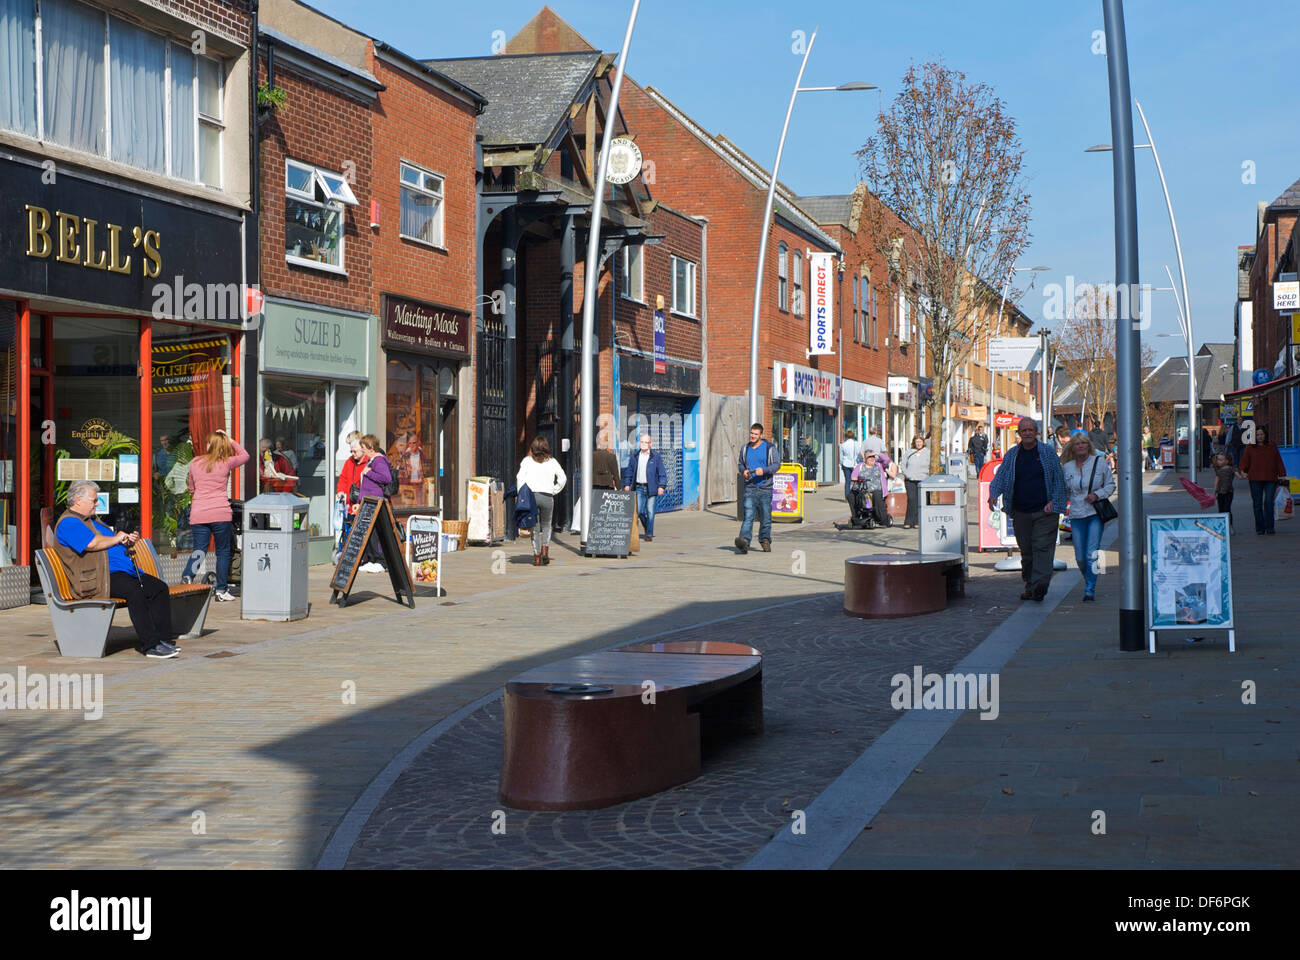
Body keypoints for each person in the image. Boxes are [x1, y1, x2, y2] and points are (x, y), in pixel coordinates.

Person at [54, 479, 178, 658]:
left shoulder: (92, 520)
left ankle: (163, 640)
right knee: (136, 592)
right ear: (78, 501)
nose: (97, 504)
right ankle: (151, 646)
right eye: (94, 500)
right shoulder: (69, 523)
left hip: (119, 572)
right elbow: (92, 543)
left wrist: (126, 541)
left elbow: (108, 542)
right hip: (98, 577)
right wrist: (117, 537)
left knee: (158, 588)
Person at [987, 417, 1069, 601]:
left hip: (1045, 511)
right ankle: (1030, 585)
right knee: (1027, 551)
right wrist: (993, 493)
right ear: (1019, 434)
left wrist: (1054, 502)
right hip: (1020, 511)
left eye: (1030, 430)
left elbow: (1058, 480)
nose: (1027, 433)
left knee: (1042, 547)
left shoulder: (1047, 453)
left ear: (1036, 432)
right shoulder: (1012, 454)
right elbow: (1001, 476)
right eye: (1023, 431)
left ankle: (1040, 584)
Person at [183, 429, 249, 601]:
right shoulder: (226, 462)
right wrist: (231, 439)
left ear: (208, 445)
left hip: (198, 513)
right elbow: (245, 455)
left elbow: (191, 487)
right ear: (222, 447)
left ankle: (189, 574)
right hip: (220, 513)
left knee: (200, 549)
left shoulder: (195, 462)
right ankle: (221, 590)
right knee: (223, 552)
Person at [1059, 431, 1114, 602]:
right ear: (1073, 448)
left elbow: (1111, 485)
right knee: (1080, 557)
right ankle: (1088, 578)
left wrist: (1097, 495)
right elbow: (1064, 491)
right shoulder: (1067, 467)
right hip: (1076, 514)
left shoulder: (1099, 463)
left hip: (1094, 514)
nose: (1080, 446)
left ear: (1088, 446)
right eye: (1077, 444)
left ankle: (1090, 588)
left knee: (1092, 553)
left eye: (1083, 443)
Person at [517, 436, 566, 565]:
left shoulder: (527, 461)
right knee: (546, 525)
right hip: (547, 497)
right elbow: (563, 478)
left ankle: (537, 556)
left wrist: (520, 495)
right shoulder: (552, 461)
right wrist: (554, 490)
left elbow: (520, 479)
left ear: (533, 448)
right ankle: (545, 551)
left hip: (532, 497)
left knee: (534, 527)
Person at [735, 422, 779, 554]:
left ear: (761, 435)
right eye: (751, 433)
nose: (752, 436)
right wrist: (743, 471)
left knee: (765, 518)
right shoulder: (745, 448)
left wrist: (764, 471)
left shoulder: (769, 448)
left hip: (765, 488)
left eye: (755, 434)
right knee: (748, 516)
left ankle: (765, 540)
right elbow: (741, 464)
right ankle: (744, 541)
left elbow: (777, 465)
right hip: (750, 487)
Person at [1236, 425, 1287, 536]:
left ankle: (1270, 527)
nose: (1260, 437)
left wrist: (1282, 474)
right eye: (1257, 435)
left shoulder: (1272, 445)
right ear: (1254, 436)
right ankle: (1260, 528)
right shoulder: (1250, 447)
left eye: (1262, 434)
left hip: (1271, 478)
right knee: (1257, 504)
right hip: (1255, 478)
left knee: (1268, 503)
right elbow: (1245, 461)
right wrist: (1243, 471)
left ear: (1265, 435)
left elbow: (1277, 459)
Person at [354, 435, 394, 572]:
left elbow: (386, 478)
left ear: (371, 448)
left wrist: (369, 473)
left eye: (363, 448)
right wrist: (359, 502)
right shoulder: (371, 460)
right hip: (368, 502)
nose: (362, 450)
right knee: (369, 532)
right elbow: (365, 485)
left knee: (375, 532)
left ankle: (380, 561)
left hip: (376, 502)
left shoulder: (378, 461)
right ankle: (372, 559)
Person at [623, 433, 666, 542]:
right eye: (641, 442)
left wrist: (661, 486)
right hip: (639, 487)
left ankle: (649, 534)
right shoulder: (635, 456)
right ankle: (648, 527)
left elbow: (661, 472)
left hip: (651, 488)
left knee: (650, 511)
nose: (643, 444)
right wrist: (627, 484)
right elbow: (629, 471)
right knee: (640, 511)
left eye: (645, 442)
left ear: (650, 444)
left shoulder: (655, 457)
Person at [849, 450, 898, 528]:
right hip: (862, 489)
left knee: (876, 495)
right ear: (865, 458)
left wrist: (877, 453)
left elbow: (886, 460)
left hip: (876, 489)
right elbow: (853, 476)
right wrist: (855, 478)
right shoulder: (860, 465)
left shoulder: (879, 465)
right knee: (851, 495)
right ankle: (856, 517)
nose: (872, 459)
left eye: (873, 457)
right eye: (869, 457)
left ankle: (882, 518)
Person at [900, 435, 929, 530]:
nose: (918, 443)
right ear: (914, 443)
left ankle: (917, 521)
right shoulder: (909, 452)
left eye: (920, 442)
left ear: (923, 442)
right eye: (917, 442)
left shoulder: (927, 452)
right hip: (910, 480)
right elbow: (903, 464)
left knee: (920, 500)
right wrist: (907, 474)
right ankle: (908, 521)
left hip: (923, 479)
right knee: (911, 499)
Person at [1212, 452, 1236, 531]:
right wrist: (1214, 492)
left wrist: (1244, 475)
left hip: (1229, 492)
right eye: (1218, 460)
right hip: (1220, 493)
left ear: (1227, 461)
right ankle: (1222, 526)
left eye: (1221, 460)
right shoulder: (1218, 471)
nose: (1219, 461)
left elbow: (1239, 475)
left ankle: (1230, 525)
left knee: (1227, 508)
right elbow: (1216, 482)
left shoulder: (1231, 469)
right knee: (1221, 509)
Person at [839, 429, 862, 506]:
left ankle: (847, 497)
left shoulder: (843, 445)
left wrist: (840, 464)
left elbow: (841, 456)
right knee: (856, 481)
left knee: (847, 481)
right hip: (854, 464)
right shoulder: (857, 444)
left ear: (846, 436)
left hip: (845, 463)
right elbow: (859, 454)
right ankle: (856, 496)